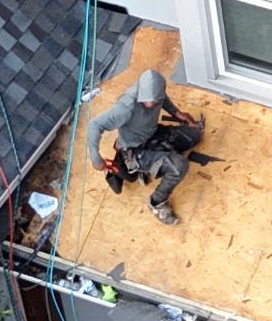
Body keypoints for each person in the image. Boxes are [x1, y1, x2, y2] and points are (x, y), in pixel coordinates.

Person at [85, 69, 206, 226]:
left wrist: (179, 114)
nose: (153, 104)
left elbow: (164, 100)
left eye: (155, 100)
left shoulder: (156, 93)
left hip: (153, 134)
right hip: (135, 151)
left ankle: (161, 158)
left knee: (194, 136)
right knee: (179, 165)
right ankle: (157, 202)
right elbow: (95, 124)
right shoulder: (126, 106)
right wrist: (96, 157)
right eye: (149, 101)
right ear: (142, 94)